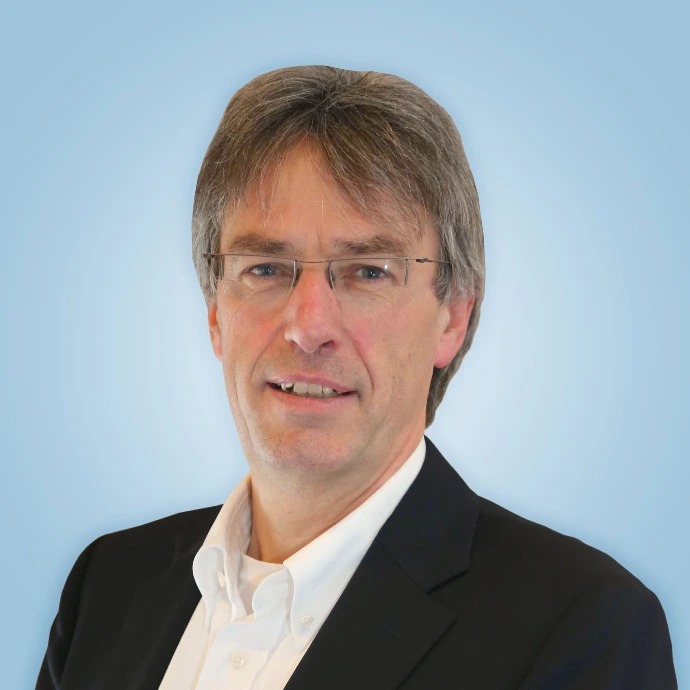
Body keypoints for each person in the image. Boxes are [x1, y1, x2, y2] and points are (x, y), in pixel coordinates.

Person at [36, 65, 677, 690]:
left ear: (453, 317)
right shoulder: (108, 587)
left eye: (369, 271)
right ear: (214, 313)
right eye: (265, 268)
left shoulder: (581, 627)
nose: (308, 325)